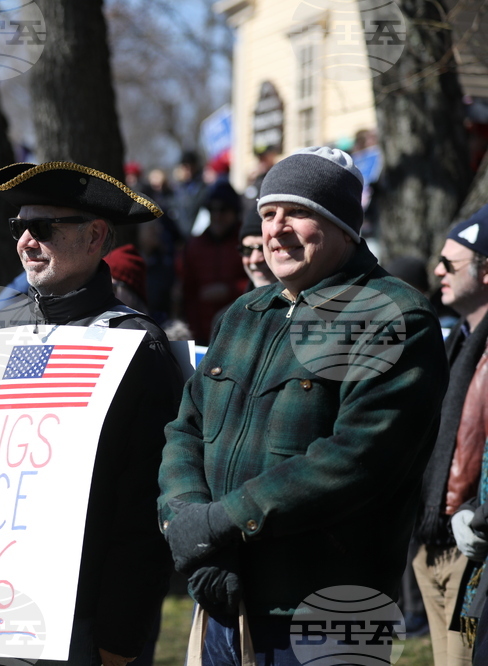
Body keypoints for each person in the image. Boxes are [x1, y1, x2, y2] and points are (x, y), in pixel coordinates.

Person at [158, 147, 449, 664]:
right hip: (223, 599)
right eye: (269, 213)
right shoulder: (244, 314)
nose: (277, 229)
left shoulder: (393, 317)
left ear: (343, 227)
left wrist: (220, 524)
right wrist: (187, 524)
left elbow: (357, 460)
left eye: (299, 212)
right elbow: (186, 428)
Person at [0, 161, 185, 666]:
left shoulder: (134, 346)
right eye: (18, 227)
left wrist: (118, 637)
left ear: (94, 237)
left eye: (43, 227)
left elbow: (143, 508)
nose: (26, 240)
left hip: (71, 621)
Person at [413, 206, 488, 666]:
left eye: (451, 263)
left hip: (471, 548)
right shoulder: (455, 339)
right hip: (432, 540)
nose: (437, 271)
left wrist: (480, 517)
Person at [180, 180, 248, 344]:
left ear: (234, 212)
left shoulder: (247, 243)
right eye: (211, 209)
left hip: (240, 332)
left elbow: (260, 283)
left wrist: (230, 290)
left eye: (223, 210)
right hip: (201, 334)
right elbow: (187, 291)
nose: (217, 216)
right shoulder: (194, 245)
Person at [238, 207, 277, 289]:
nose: (254, 259)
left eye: (263, 248)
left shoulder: (309, 299)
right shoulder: (242, 301)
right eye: (247, 250)